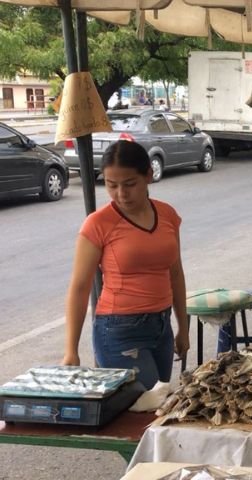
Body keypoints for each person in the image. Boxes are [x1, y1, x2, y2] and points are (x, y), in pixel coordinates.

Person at [61, 141, 189, 389]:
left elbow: (175, 273)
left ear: (148, 176)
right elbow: (79, 288)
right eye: (112, 185)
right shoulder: (98, 224)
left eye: (130, 184)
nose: (121, 194)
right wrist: (71, 350)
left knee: (157, 404)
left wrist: (183, 326)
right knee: (144, 405)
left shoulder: (167, 215)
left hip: (161, 327)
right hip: (119, 331)